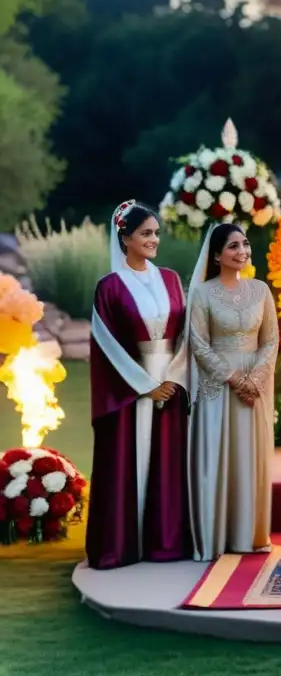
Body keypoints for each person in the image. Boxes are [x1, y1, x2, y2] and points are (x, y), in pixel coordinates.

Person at [87, 200, 192, 569]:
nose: (154, 240)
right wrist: (144, 385)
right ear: (125, 237)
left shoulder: (171, 279)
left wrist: (174, 378)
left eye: (156, 233)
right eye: (146, 233)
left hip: (171, 384)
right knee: (126, 463)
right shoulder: (109, 287)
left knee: (169, 462)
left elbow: (186, 337)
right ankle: (120, 546)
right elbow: (106, 343)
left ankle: (165, 542)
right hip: (131, 389)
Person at [188, 224, 279, 561]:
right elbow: (198, 343)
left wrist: (255, 380)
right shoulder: (202, 294)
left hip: (256, 389)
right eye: (233, 246)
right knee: (220, 455)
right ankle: (217, 536)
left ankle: (251, 535)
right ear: (216, 255)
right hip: (219, 387)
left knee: (251, 457)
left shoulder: (261, 291)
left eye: (244, 244)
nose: (242, 251)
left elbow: (271, 340)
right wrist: (233, 379)